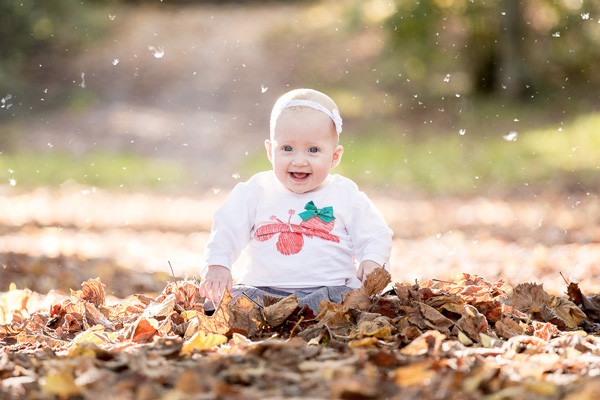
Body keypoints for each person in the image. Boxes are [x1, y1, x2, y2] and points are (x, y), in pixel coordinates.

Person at [199, 88, 393, 312]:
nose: (299, 161)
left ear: (334, 156)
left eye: (313, 150)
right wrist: (218, 265)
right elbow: (227, 228)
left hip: (329, 291)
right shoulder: (255, 190)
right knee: (230, 307)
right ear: (271, 152)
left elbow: (376, 234)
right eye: (287, 148)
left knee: (358, 307)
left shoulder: (345, 194)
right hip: (263, 291)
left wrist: (372, 261)